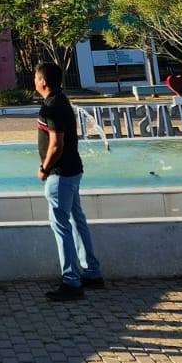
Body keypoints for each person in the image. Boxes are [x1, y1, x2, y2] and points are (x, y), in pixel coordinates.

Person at [35, 62, 105, 300]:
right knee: (76, 221)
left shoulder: (52, 106)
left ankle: (71, 281)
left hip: (61, 173)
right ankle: (92, 272)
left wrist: (44, 168)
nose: (34, 81)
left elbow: (56, 144)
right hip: (73, 171)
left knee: (62, 227)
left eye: (36, 77)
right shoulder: (61, 100)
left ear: (43, 81)